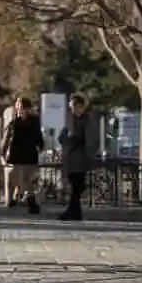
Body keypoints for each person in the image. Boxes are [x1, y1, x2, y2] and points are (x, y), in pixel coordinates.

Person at [58, 93, 97, 221]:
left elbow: (90, 141)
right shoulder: (70, 121)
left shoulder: (87, 121)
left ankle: (71, 212)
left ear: (80, 107)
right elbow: (62, 138)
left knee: (77, 187)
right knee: (75, 187)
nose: (72, 110)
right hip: (71, 160)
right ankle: (74, 213)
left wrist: (89, 157)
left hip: (80, 160)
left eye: (73, 107)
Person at [3, 97, 44, 214]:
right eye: (17, 107)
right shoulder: (14, 121)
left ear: (27, 108)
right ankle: (26, 202)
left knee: (27, 180)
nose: (19, 109)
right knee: (19, 179)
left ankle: (26, 201)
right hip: (17, 154)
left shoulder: (34, 121)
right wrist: (3, 151)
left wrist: (40, 146)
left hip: (29, 153)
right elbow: (8, 137)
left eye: (21, 107)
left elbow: (38, 136)